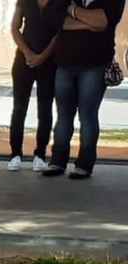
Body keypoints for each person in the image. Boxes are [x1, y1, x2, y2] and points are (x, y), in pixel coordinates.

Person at [41, 0, 125, 179]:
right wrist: (87, 22)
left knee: (87, 115)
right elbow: (56, 20)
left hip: (95, 65)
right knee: (63, 115)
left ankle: (84, 165)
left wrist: (72, 10)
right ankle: (57, 161)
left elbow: (103, 22)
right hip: (65, 63)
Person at [7, 0, 58, 172]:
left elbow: (60, 33)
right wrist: (27, 52)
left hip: (49, 62)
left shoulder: (60, 3)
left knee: (45, 109)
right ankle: (15, 154)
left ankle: (40, 155)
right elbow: (15, 28)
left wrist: (43, 56)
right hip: (24, 60)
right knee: (19, 107)